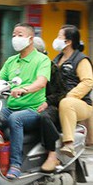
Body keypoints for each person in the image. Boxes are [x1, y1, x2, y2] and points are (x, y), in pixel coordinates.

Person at [0, 24, 51, 179]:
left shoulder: (42, 60)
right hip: (12, 107)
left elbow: (41, 82)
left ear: (30, 39)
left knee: (16, 119)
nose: (15, 38)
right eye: (14, 35)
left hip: (33, 110)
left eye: (19, 35)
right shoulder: (11, 61)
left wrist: (24, 89)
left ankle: (15, 165)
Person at [42, 25, 93, 169]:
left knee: (67, 102)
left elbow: (88, 82)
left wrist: (70, 96)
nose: (56, 40)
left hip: (81, 104)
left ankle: (68, 144)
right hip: (60, 102)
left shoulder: (81, 59)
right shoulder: (57, 59)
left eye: (59, 36)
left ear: (68, 41)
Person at [32, 37, 68, 173]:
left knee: (44, 117)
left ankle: (52, 154)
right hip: (29, 104)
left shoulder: (51, 67)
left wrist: (47, 102)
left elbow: (62, 92)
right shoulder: (23, 65)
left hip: (50, 106)